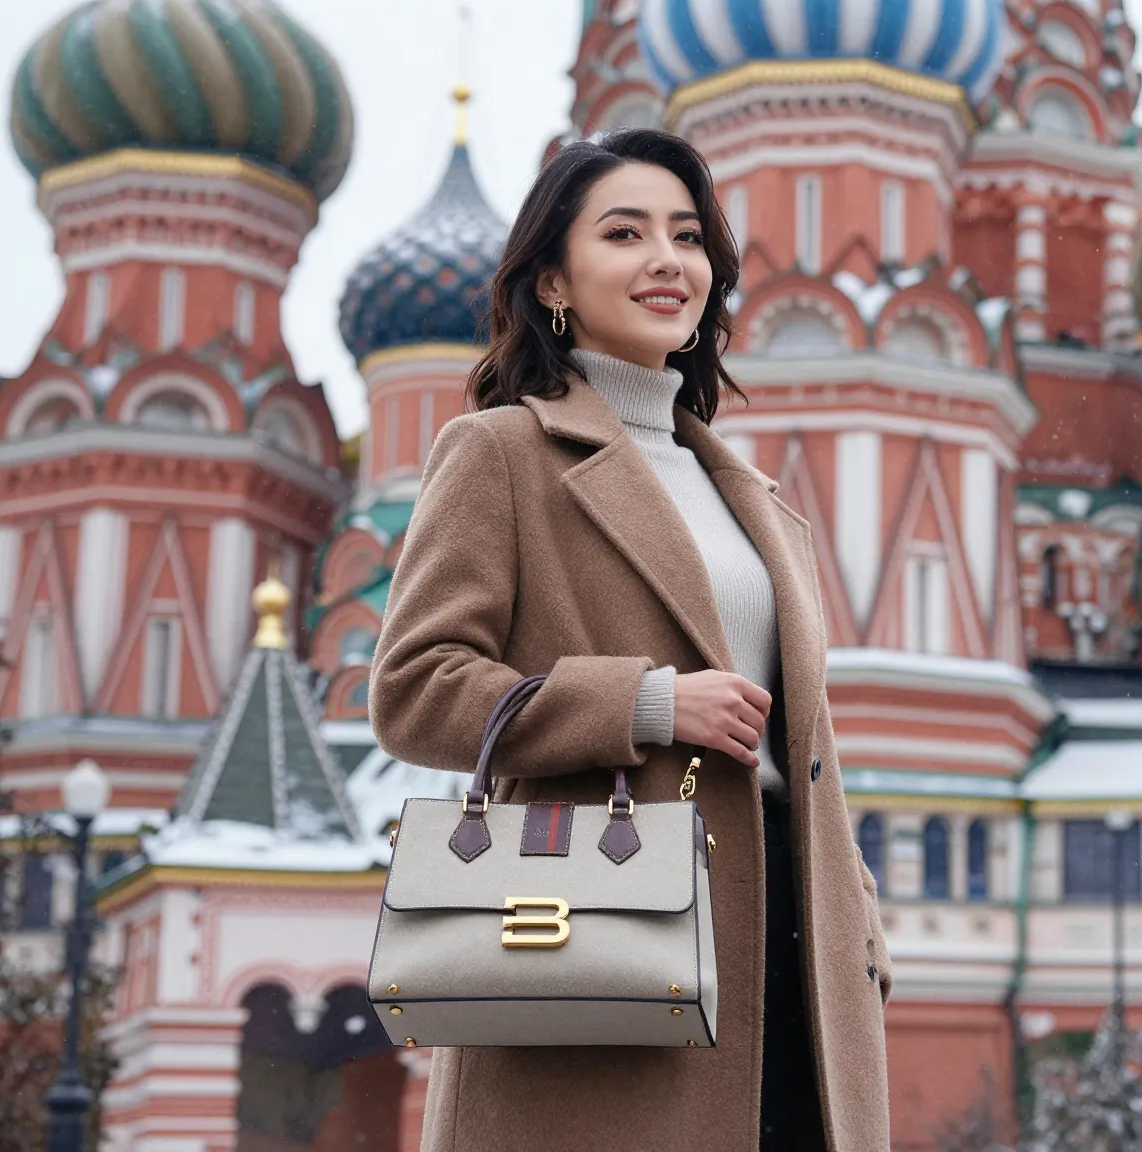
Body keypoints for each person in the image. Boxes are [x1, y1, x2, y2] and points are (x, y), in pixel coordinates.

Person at [370, 127, 891, 1152]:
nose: (667, 259)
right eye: (626, 232)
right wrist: (646, 703)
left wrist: (859, 920)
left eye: (688, 236)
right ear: (554, 280)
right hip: (602, 925)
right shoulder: (503, 452)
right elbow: (416, 687)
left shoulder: (751, 499)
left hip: (796, 940)